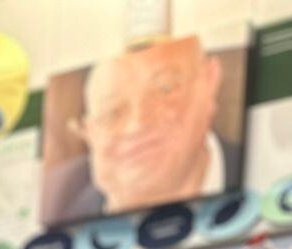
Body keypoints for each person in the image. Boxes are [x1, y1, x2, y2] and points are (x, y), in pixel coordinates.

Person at [44, 36, 232, 223]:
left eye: (165, 89)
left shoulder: (254, 170)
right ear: (88, 132)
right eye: (112, 113)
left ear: (210, 79)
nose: (138, 124)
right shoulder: (59, 199)